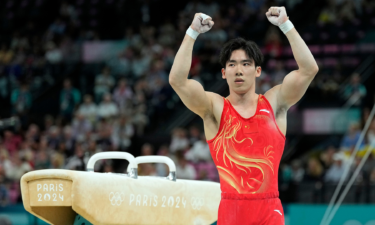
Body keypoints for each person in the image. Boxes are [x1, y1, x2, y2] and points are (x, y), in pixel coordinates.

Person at [169, 7, 319, 225]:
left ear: (257, 71)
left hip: (269, 210)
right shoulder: (214, 108)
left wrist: (286, 25)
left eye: (246, 64)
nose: (239, 70)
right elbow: (178, 81)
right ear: (224, 73)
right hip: (232, 210)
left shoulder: (275, 103)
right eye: (232, 64)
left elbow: (309, 70)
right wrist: (192, 32)